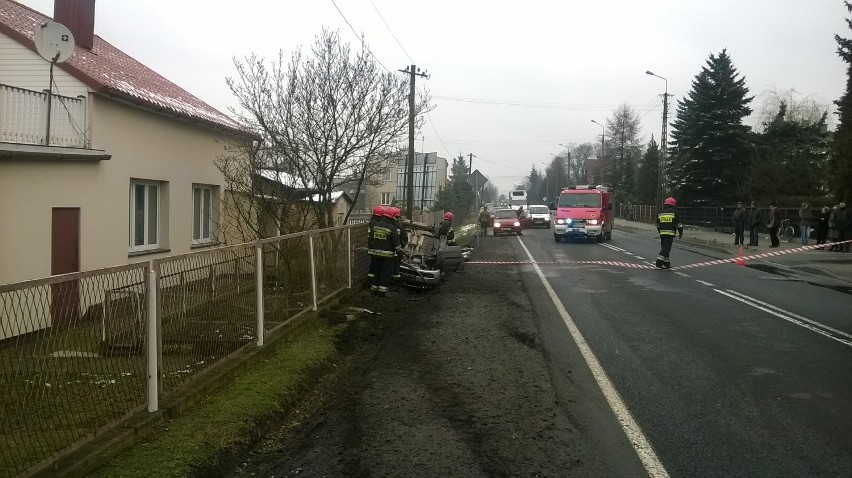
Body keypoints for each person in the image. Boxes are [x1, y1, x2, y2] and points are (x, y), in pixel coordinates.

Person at [367, 205, 400, 297]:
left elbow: (371, 238)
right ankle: (382, 292)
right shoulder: (392, 228)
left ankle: (373, 290)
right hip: (387, 255)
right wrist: (400, 252)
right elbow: (396, 244)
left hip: (375, 253)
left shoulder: (375, 225)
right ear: (392, 217)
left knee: (377, 271)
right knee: (386, 273)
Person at [655, 197, 683, 269]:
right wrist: (680, 233)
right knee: (666, 248)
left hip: (662, 234)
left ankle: (666, 263)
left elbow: (657, 224)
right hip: (670, 234)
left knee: (664, 248)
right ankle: (659, 262)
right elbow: (679, 224)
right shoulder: (675, 213)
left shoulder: (660, 212)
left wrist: (660, 231)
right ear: (673, 204)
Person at [388, 207, 408, 282]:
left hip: (388, 253)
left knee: (386, 269)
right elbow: (405, 239)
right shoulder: (400, 226)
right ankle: (396, 285)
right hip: (397, 253)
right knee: (396, 270)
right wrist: (400, 248)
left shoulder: (387, 225)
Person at [366, 205, 385, 283]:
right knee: (377, 265)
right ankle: (374, 281)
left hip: (371, 245)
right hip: (376, 246)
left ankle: (370, 281)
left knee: (372, 265)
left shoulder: (372, 221)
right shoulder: (377, 223)